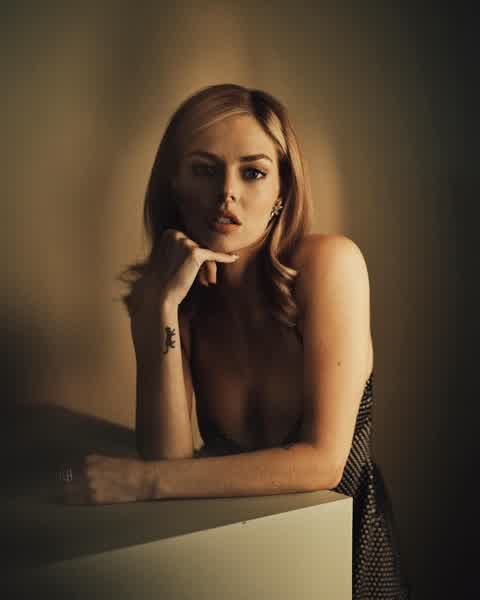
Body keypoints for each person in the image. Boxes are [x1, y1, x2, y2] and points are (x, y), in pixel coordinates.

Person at [61, 83, 411, 599]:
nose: (227, 192)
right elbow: (168, 457)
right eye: (204, 169)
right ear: (174, 183)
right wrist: (162, 306)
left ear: (282, 191)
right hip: (235, 549)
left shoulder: (329, 265)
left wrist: (138, 482)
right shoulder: (173, 296)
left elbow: (323, 462)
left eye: (253, 172)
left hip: (342, 548)